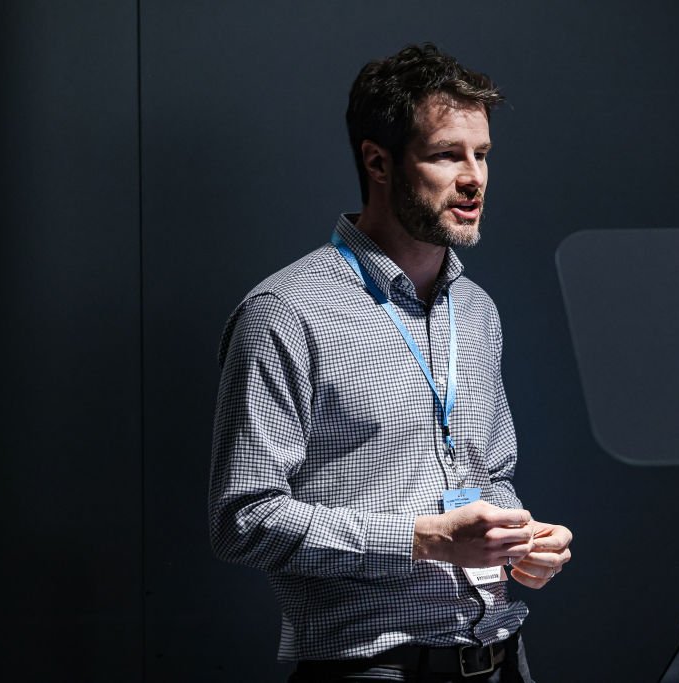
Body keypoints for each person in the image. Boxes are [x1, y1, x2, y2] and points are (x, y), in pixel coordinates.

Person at [209, 43, 573, 682]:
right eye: (447, 155)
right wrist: (424, 539)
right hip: (372, 668)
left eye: (483, 154)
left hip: (501, 660)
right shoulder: (286, 312)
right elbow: (244, 519)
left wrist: (521, 542)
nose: (474, 179)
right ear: (378, 162)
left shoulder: (475, 308)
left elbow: (489, 476)